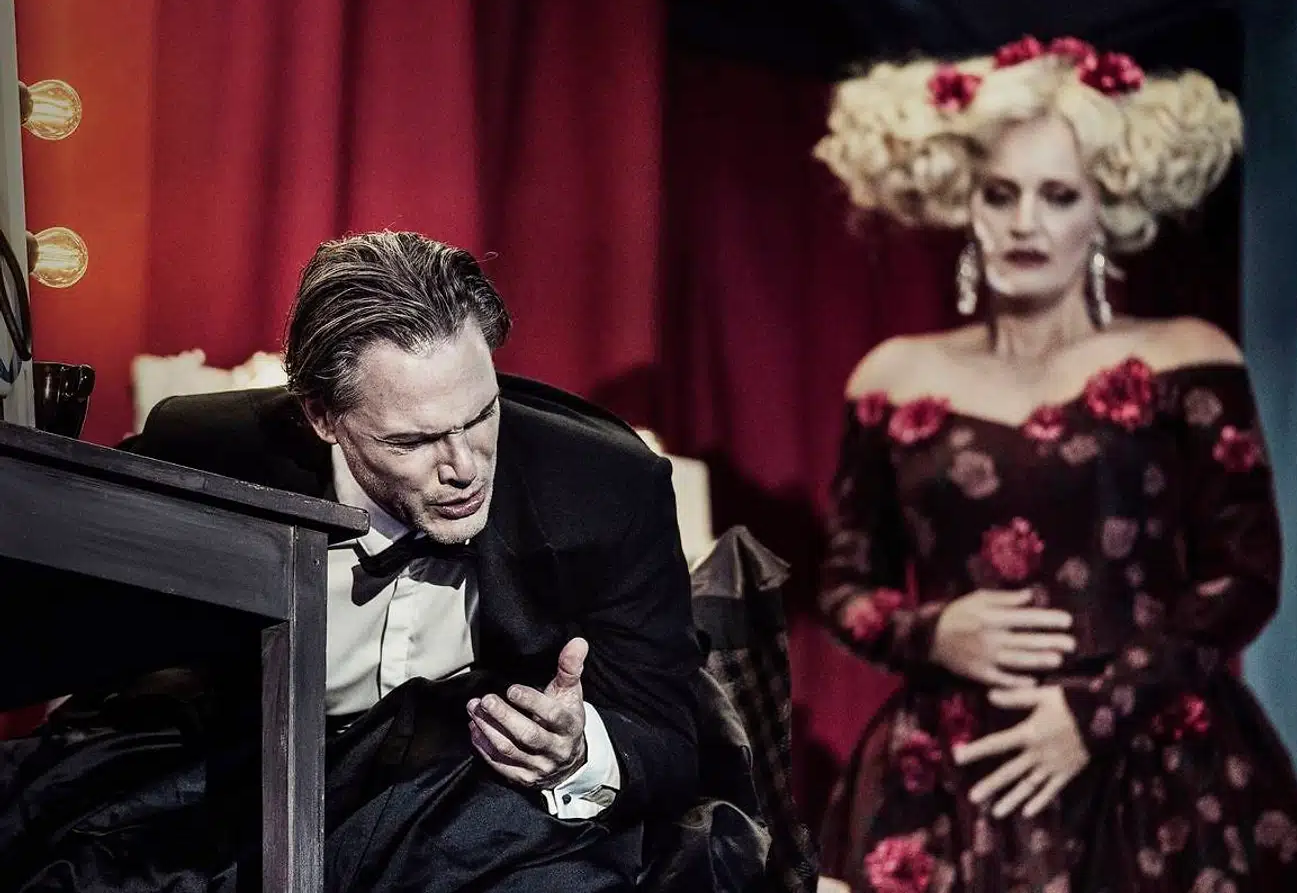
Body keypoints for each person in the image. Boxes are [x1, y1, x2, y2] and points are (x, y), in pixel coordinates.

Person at [0, 231, 752, 893]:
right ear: (323, 416)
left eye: (481, 415)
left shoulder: (606, 487)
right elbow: (61, 627)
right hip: (246, 781)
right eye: (413, 441)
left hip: (463, 813)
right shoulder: (209, 449)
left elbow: (667, 735)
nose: (464, 468)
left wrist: (577, 749)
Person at [809, 36, 1297, 892]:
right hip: (951, 775)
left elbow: (1245, 574)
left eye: (1058, 195)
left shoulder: (1186, 356)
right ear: (967, 205)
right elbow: (844, 583)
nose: (1026, 222)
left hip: (1154, 764)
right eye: (1001, 193)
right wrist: (932, 631)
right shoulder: (892, 376)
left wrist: (1096, 710)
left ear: (1103, 210)